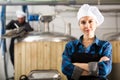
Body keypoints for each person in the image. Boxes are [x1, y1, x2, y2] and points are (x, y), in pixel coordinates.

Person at [62, 4, 112, 80]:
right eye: (83, 22)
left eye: (90, 21)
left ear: (96, 23)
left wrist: (76, 65)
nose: (87, 25)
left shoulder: (105, 45)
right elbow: (65, 68)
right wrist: (95, 69)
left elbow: (104, 70)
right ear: (79, 25)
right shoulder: (70, 46)